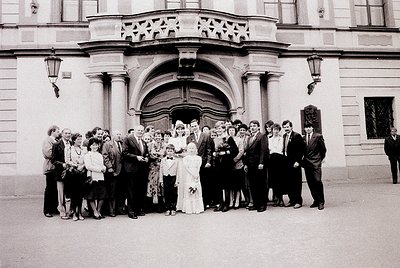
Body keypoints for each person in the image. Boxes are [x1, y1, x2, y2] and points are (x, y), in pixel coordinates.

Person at [122, 125, 149, 220]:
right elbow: (124, 153)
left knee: (139, 190)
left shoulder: (144, 142)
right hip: (131, 169)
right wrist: (136, 157)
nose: (140, 132)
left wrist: (146, 158)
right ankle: (131, 211)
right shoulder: (128, 139)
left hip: (141, 170)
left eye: (142, 131)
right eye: (138, 130)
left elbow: (146, 154)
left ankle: (138, 209)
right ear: (135, 131)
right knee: (131, 191)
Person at [186, 119, 213, 208]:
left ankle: (205, 202)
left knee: (204, 183)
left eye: (195, 126)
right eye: (192, 126)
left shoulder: (205, 136)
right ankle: (195, 202)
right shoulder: (189, 138)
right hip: (193, 164)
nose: (194, 127)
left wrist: (209, 162)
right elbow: (188, 151)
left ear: (198, 125)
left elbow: (209, 150)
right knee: (194, 182)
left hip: (204, 162)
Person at [243, 120, 269, 212]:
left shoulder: (262, 136)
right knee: (253, 185)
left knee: (261, 184)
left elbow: (263, 150)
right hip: (250, 165)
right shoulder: (249, 138)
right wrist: (246, 164)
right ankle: (256, 203)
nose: (252, 128)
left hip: (259, 165)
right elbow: (247, 152)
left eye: (254, 126)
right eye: (251, 126)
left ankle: (262, 205)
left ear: (258, 127)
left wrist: (261, 163)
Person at [213, 122, 238, 212]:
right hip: (218, 164)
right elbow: (213, 150)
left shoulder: (228, 138)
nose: (218, 130)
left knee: (226, 184)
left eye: (220, 128)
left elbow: (235, 150)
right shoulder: (215, 139)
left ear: (224, 129)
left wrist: (226, 152)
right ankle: (220, 203)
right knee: (219, 185)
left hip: (226, 164)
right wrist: (215, 153)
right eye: (217, 128)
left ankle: (226, 204)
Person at [302, 122, 327, 210]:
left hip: (316, 162)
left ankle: (321, 201)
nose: (308, 129)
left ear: (312, 128)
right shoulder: (303, 138)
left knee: (317, 181)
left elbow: (323, 149)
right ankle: (315, 200)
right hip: (307, 163)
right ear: (304, 129)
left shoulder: (318, 136)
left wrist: (319, 159)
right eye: (306, 127)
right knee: (310, 183)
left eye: (309, 127)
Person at [282, 120, 305, 209]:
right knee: (289, 182)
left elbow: (301, 150)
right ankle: (291, 200)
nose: (286, 129)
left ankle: (298, 201)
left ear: (291, 127)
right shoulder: (284, 136)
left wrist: (298, 161)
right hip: (286, 162)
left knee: (296, 182)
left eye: (287, 127)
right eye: (284, 127)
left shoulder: (297, 136)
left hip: (295, 163)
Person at [102, 130, 124, 217]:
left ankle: (120, 208)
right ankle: (111, 210)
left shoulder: (122, 144)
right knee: (112, 191)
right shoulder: (108, 144)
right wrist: (110, 167)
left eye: (120, 134)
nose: (119, 136)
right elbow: (105, 156)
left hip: (122, 171)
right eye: (117, 134)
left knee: (121, 191)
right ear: (113, 136)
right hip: (112, 171)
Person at [84, 138, 107, 220]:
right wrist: (99, 169)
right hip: (92, 176)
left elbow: (102, 164)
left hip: (100, 176)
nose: (95, 146)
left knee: (102, 195)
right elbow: (88, 166)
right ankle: (94, 211)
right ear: (90, 146)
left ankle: (98, 210)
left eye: (96, 145)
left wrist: (104, 168)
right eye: (93, 145)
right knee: (92, 196)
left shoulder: (99, 155)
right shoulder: (87, 155)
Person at [51, 128, 72, 219]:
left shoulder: (71, 144)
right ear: (62, 134)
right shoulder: (56, 145)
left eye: (69, 133)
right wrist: (63, 165)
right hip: (60, 171)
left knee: (70, 191)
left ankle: (70, 210)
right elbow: (53, 160)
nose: (68, 135)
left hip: (71, 171)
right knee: (61, 192)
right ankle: (62, 211)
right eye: (66, 133)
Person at [65, 133, 86, 221]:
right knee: (74, 193)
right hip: (73, 173)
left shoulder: (84, 149)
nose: (80, 141)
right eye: (78, 139)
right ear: (74, 140)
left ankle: (80, 212)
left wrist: (83, 166)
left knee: (80, 193)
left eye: (81, 139)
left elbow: (87, 159)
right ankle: (73, 212)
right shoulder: (69, 148)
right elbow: (67, 160)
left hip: (82, 173)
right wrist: (75, 165)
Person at [168, 120, 188, 211]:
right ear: (176, 130)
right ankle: (175, 204)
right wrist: (176, 154)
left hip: (184, 161)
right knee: (176, 181)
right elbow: (169, 151)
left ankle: (184, 203)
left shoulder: (186, 139)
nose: (180, 131)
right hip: (175, 161)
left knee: (183, 180)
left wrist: (182, 154)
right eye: (178, 129)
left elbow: (188, 151)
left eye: (182, 129)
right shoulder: (172, 139)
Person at [42, 125, 60, 217]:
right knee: (49, 189)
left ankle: (54, 207)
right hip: (50, 167)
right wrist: (58, 155)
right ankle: (47, 210)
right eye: (57, 131)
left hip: (56, 168)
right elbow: (48, 153)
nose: (58, 133)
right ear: (52, 131)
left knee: (55, 189)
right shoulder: (48, 140)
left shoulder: (56, 141)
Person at [181, 143, 204, 214]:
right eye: (190, 148)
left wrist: (196, 174)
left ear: (195, 149)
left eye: (193, 148)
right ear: (187, 149)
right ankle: (189, 209)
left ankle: (197, 208)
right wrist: (193, 174)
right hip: (189, 175)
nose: (191, 150)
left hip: (196, 175)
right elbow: (186, 168)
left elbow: (198, 167)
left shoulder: (198, 158)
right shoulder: (185, 158)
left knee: (196, 190)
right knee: (189, 189)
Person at [146, 130, 166, 212]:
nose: (158, 137)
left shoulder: (165, 145)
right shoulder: (150, 145)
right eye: (156, 135)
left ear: (162, 137)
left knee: (160, 186)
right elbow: (147, 155)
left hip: (161, 168)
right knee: (150, 186)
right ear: (154, 136)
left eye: (159, 135)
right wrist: (152, 157)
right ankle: (149, 206)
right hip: (152, 168)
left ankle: (160, 206)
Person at [268, 123, 286, 207]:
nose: (275, 131)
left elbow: (280, 149)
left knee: (280, 179)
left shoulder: (282, 139)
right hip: (271, 160)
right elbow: (270, 149)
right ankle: (276, 198)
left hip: (279, 160)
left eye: (277, 130)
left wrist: (274, 150)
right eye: (274, 130)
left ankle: (281, 199)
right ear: (272, 130)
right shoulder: (269, 139)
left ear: (279, 130)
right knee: (274, 180)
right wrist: (273, 151)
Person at [228, 125, 244, 209]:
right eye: (230, 130)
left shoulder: (239, 140)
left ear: (235, 131)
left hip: (237, 164)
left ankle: (237, 200)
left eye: (233, 130)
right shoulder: (226, 140)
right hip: (229, 165)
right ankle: (231, 200)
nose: (231, 132)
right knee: (230, 184)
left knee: (237, 184)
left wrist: (235, 159)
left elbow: (241, 151)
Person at [159, 144, 178, 216]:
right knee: (166, 194)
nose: (170, 152)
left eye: (171, 151)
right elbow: (161, 170)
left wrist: (177, 181)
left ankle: (173, 208)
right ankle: (167, 208)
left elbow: (178, 171)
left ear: (173, 152)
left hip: (173, 177)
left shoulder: (176, 160)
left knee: (173, 193)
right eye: (168, 151)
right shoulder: (163, 160)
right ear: (166, 151)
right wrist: (161, 181)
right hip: (165, 177)